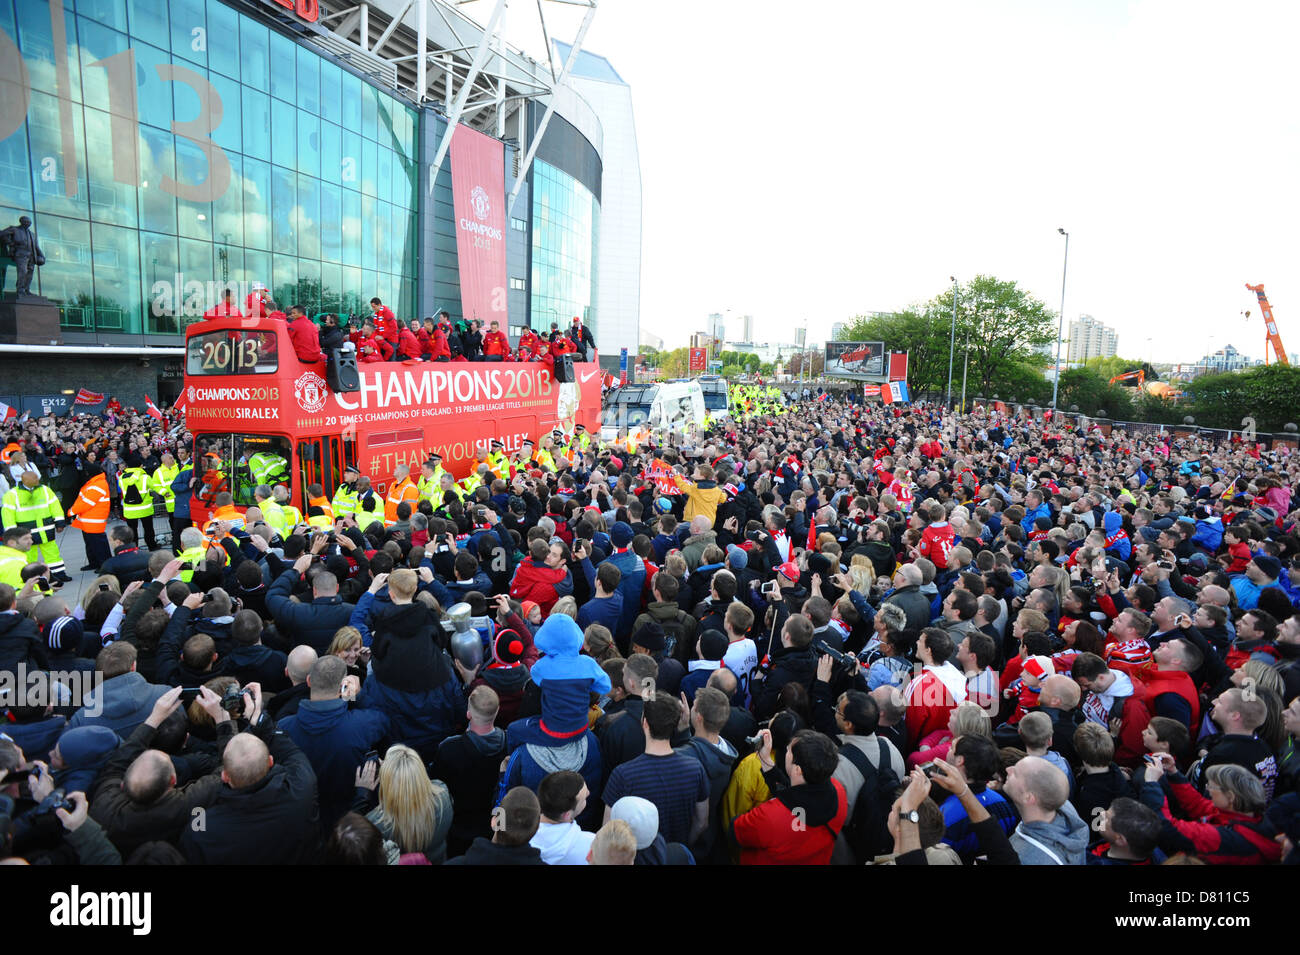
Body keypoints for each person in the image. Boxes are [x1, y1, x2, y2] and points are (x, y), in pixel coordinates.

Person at [178, 683, 322, 864]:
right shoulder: (302, 789)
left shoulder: (202, 831)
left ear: (225, 776)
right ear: (270, 761)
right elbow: (291, 753)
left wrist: (224, 724)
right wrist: (259, 717)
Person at [278, 655, 390, 829]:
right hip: (349, 819)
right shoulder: (360, 725)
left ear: (308, 681)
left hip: (304, 823)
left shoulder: (284, 727)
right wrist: (357, 697)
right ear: (343, 686)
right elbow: (382, 719)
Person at [731, 729, 847, 864]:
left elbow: (736, 831)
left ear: (798, 769)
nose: (786, 751)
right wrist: (765, 758)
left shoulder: (770, 816)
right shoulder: (839, 792)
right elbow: (796, 797)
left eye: (789, 751)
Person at [1003, 755, 1090, 865]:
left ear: (1028, 797)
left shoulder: (1030, 859)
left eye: (1015, 773)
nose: (1007, 769)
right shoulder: (1062, 806)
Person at [1, 469, 69, 582]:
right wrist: (12, 534)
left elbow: (55, 507)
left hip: (45, 531)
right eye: (34, 478)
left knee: (53, 554)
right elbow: (8, 515)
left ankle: (59, 575)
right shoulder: (12, 495)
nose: (37, 480)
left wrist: (60, 522)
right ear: (25, 480)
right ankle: (32, 577)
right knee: (29, 556)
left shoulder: (45, 490)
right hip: (26, 534)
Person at [530, 769, 596, 865]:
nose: (589, 792)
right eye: (584, 798)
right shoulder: (591, 845)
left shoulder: (519, 837)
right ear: (566, 815)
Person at [68, 465, 111, 572]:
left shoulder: (98, 484)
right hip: (89, 520)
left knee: (98, 544)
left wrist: (71, 511)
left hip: (94, 520)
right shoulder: (95, 482)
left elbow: (87, 503)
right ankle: (95, 563)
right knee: (91, 543)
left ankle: (104, 565)